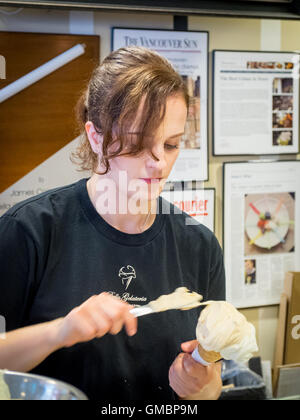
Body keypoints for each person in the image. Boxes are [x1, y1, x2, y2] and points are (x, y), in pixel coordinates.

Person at [0, 46, 225, 400]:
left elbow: (212, 378)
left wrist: (203, 387)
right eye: (138, 145)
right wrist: (61, 331)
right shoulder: (29, 231)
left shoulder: (199, 246)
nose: (159, 165)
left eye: (170, 145)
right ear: (95, 136)